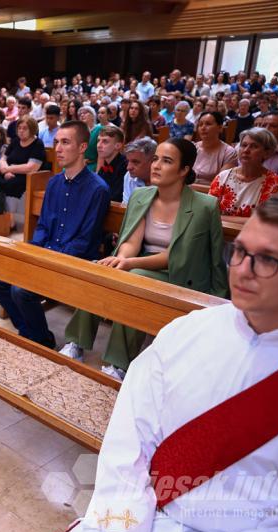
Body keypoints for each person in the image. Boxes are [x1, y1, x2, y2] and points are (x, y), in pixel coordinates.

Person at [54, 192, 278, 532]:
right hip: (138, 520)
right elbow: (132, 433)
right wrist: (120, 528)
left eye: (268, 260)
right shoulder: (187, 331)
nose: (242, 269)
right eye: (239, 251)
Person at [60, 138, 228, 379]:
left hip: (180, 274)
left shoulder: (205, 206)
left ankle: (118, 363)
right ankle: (76, 343)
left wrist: (130, 264)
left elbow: (181, 257)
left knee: (135, 280)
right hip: (139, 265)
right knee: (100, 270)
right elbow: (131, 241)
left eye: (167, 161)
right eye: (156, 158)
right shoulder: (141, 195)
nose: (156, 165)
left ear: (184, 170)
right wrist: (120, 261)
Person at [0, 121, 110, 349]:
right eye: (56, 142)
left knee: (21, 290)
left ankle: (41, 340)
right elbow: (42, 226)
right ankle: (30, 329)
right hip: (46, 253)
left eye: (65, 142)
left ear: (82, 148)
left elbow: (85, 240)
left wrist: (48, 259)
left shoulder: (97, 189)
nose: (58, 149)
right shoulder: (54, 183)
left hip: (73, 261)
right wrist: (32, 252)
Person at [209, 127, 278, 218]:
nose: (246, 150)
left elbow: (262, 220)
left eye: (254, 146)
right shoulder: (223, 176)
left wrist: (222, 219)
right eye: (243, 145)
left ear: (267, 153)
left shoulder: (273, 181)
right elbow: (209, 212)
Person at [194, 111, 238, 185]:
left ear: (220, 128)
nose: (203, 128)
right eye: (200, 124)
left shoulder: (229, 153)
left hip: (212, 194)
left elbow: (221, 185)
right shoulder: (193, 147)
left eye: (208, 124)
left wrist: (191, 187)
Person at [95, 125, 128, 202]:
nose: (99, 145)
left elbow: (116, 197)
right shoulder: (105, 166)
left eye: (105, 141)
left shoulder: (126, 166)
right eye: (98, 140)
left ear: (118, 145)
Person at [121, 137, 156, 205]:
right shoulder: (129, 176)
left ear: (153, 161)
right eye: (128, 161)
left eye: (135, 162)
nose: (129, 167)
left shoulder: (165, 181)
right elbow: (126, 208)